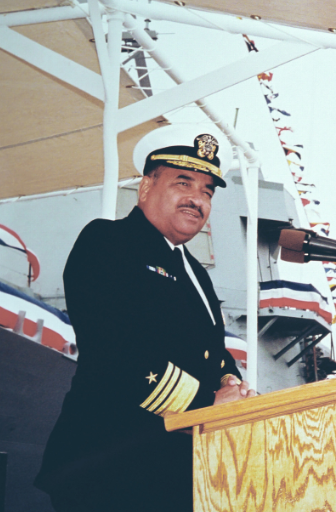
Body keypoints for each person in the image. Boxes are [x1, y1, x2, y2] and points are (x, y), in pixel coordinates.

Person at [35, 126, 255, 512]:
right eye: (183, 182)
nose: (197, 199)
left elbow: (212, 351)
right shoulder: (108, 241)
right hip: (106, 468)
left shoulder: (195, 272)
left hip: (174, 470)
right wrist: (207, 402)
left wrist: (230, 383)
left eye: (207, 191)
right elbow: (114, 351)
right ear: (146, 186)